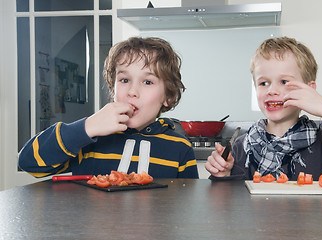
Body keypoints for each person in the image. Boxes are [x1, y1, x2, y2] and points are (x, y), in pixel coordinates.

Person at [19, 37, 199, 179]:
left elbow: (187, 206)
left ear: (167, 96)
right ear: (113, 88)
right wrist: (87, 127)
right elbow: (28, 163)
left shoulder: (180, 148)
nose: (132, 91)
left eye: (147, 81)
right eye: (124, 80)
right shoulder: (89, 141)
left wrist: (219, 179)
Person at [205, 36, 322, 181]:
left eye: (284, 81)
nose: (272, 90)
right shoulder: (241, 146)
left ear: (309, 90)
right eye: (263, 83)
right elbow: (231, 202)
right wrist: (224, 175)